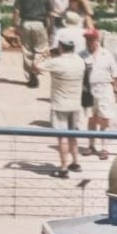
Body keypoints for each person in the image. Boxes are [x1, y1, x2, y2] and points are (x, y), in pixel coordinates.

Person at [39, 37, 86, 178]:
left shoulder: (56, 62)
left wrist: (43, 55)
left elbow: (35, 67)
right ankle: (76, 163)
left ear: (60, 47)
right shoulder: (80, 61)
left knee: (62, 137)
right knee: (74, 135)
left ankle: (64, 168)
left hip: (60, 105)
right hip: (75, 105)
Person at [83, 29, 117, 159]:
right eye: (87, 39)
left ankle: (104, 148)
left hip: (105, 88)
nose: (88, 42)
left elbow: (115, 74)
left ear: (97, 40)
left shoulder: (107, 54)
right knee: (91, 118)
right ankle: (91, 145)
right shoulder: (82, 55)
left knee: (105, 119)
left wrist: (115, 91)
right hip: (89, 89)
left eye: (91, 39)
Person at [14, 0, 53, 88]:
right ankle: (36, 71)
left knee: (27, 51)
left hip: (26, 23)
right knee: (40, 50)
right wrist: (50, 28)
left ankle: (30, 75)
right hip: (39, 24)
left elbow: (16, 11)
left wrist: (16, 25)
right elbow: (50, 13)